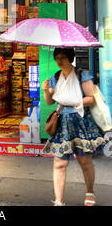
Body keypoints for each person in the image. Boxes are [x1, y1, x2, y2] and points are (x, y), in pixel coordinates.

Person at [42, 47, 106, 206]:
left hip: (80, 122)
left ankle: (90, 192)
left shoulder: (81, 75)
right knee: (59, 162)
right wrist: (45, 91)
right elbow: (50, 101)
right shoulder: (55, 77)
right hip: (62, 123)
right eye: (57, 57)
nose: (58, 60)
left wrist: (72, 100)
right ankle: (59, 200)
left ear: (70, 58)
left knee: (85, 162)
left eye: (62, 57)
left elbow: (91, 98)